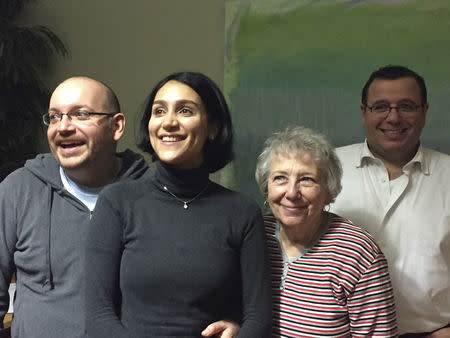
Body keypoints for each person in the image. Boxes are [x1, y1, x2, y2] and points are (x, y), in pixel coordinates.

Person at [84, 71, 272, 337]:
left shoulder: (242, 212)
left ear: (213, 127)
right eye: (159, 111)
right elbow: (98, 315)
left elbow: (258, 317)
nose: (168, 122)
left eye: (185, 111)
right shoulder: (117, 202)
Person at [0, 76, 148, 337]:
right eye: (54, 117)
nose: (63, 127)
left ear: (116, 126)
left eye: (81, 114)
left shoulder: (150, 193)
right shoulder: (18, 190)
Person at [330, 65, 450, 336]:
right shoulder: (324, 168)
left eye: (406, 106)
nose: (393, 117)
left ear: (424, 111)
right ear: (364, 112)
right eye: (381, 106)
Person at [255, 125, 398, 337]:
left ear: (329, 192)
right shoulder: (253, 235)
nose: (292, 192)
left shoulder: (358, 253)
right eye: (280, 178)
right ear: (266, 188)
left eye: (307, 179)